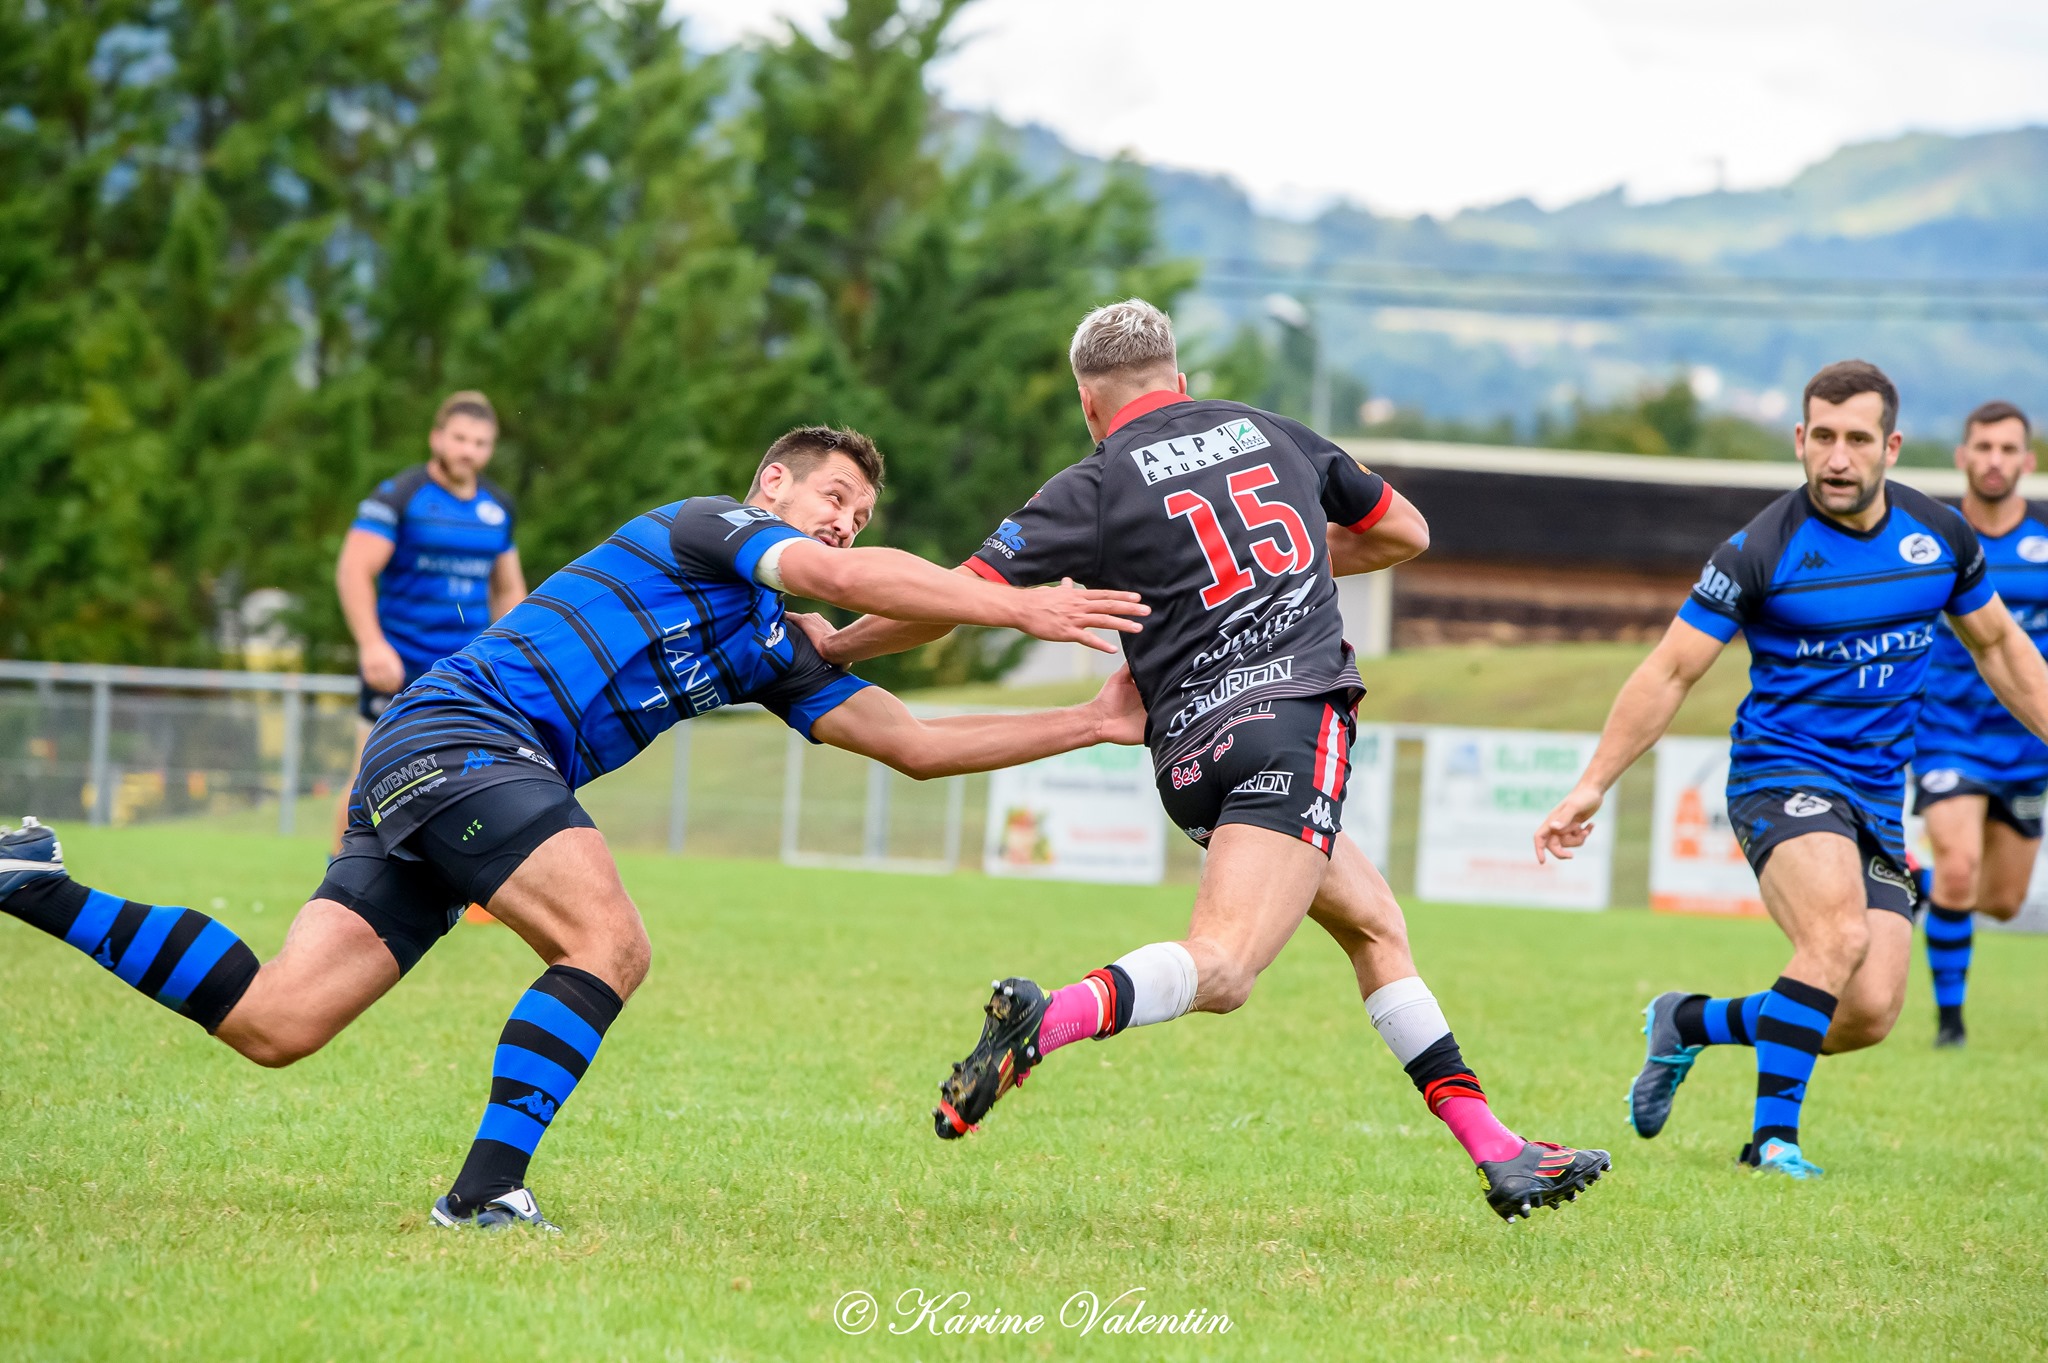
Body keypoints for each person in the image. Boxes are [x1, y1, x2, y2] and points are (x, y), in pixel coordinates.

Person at [0, 425, 1152, 1232]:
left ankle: (34, 883)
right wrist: (1011, 600)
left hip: (427, 765)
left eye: (859, 513)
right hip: (468, 737)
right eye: (831, 499)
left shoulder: (759, 643)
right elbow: (842, 579)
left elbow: (907, 741)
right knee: (609, 943)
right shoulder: (711, 528)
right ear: (771, 484)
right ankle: (484, 1193)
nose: (844, 522)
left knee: (277, 1020)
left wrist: (1091, 721)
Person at [817, 300, 1611, 1223]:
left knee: (1374, 925)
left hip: (1189, 754)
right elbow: (1406, 535)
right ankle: (1050, 1018)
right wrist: (1299, 558)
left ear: (1088, 403)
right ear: (1180, 378)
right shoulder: (1274, 433)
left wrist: (831, 650)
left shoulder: (1094, 482)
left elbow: (945, 599)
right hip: (1291, 719)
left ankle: (1500, 1150)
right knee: (1226, 969)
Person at [1535, 363, 2048, 1180]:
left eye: (1856, 439)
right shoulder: (1759, 550)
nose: (1837, 458)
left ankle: (1690, 1021)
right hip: (1781, 774)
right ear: (1800, 439)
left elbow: (2000, 648)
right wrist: (1594, 780)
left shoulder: (1940, 537)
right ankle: (1771, 1142)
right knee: (1835, 935)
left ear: (1891, 445)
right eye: (1822, 438)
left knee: (1867, 1012)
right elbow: (1670, 671)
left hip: (1878, 795)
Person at [333, 392, 527, 852]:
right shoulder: (401, 496)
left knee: (480, 772)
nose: (469, 451)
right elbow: (353, 569)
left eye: (480, 443)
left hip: (466, 670)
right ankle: (338, 873)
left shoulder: (497, 508)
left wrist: (510, 653)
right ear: (436, 438)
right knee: (370, 772)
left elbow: (507, 588)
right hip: (399, 662)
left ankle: (478, 886)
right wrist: (371, 645)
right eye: (460, 438)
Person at [1912, 401, 2045, 1047]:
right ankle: (1951, 1026)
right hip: (1947, 736)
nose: (1995, 459)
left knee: (2001, 901)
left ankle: (1917, 884)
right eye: (1983, 446)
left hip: (2026, 748)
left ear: (2028, 460)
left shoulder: (2044, 550)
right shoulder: (1931, 541)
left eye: (2008, 448)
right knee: (1961, 866)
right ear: (1962, 456)